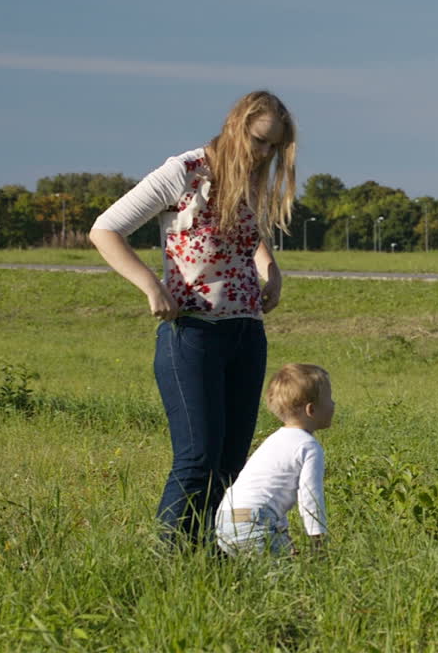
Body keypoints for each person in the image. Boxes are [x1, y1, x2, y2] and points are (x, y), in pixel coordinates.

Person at [89, 90, 297, 545]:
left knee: (231, 462)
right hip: (192, 333)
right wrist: (151, 286)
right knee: (197, 458)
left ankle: (214, 557)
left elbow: (244, 231)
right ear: (237, 126)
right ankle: (169, 560)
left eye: (273, 148)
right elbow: (105, 229)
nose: (265, 155)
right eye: (260, 141)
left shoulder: (248, 180)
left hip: (247, 333)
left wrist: (271, 271)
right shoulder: (183, 171)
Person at [216, 363, 333, 556]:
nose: (334, 404)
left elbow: (268, 491)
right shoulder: (308, 447)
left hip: (226, 517)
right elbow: (310, 498)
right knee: (290, 582)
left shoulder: (274, 440)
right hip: (254, 521)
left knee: (262, 576)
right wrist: (318, 539)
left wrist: (282, 536)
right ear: (311, 410)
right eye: (329, 399)